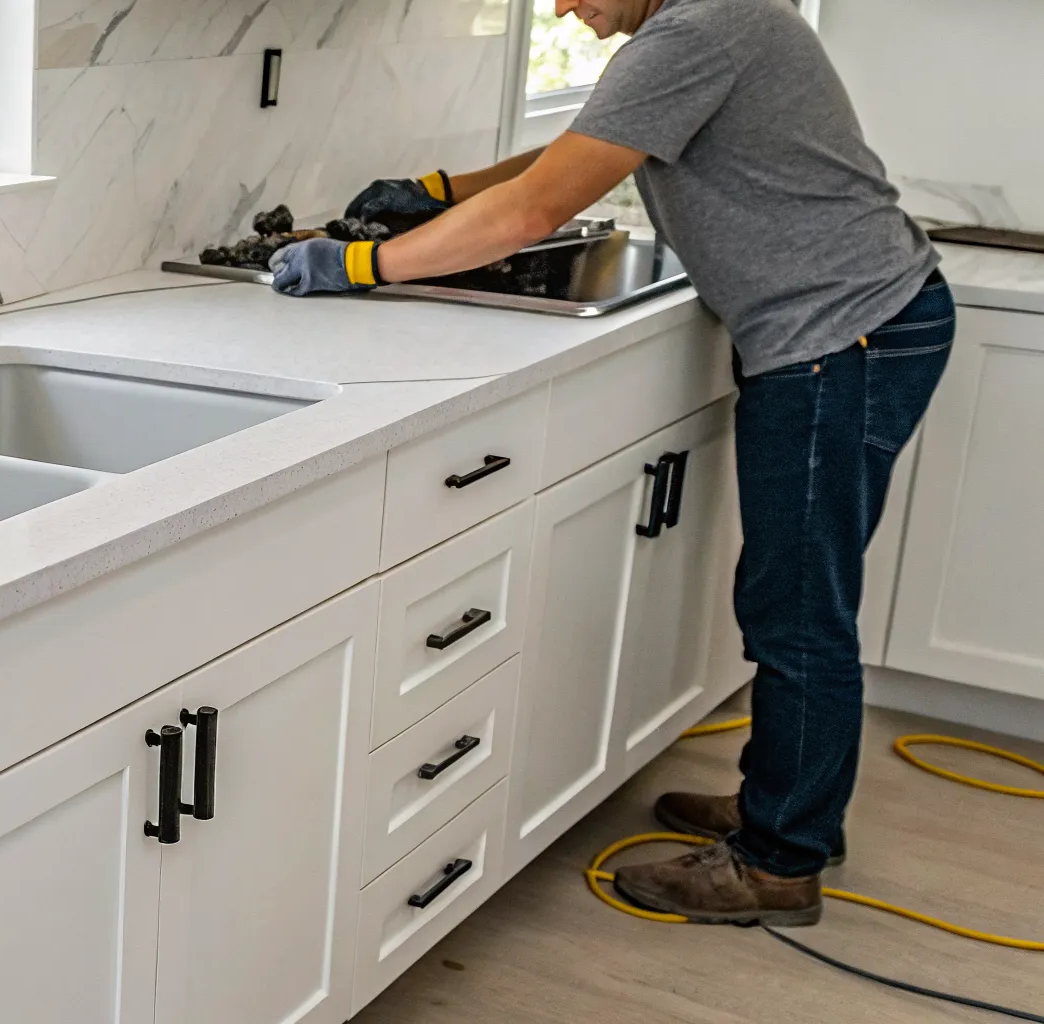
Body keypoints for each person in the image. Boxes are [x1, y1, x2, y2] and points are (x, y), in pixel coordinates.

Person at [271, 0, 953, 927]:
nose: (562, 8)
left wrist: (364, 268)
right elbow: (578, 152)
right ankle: (790, 810)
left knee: (797, 610)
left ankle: (778, 861)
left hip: (841, 337)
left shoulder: (698, 31)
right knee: (799, 599)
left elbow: (541, 206)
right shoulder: (707, 19)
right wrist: (442, 186)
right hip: (867, 319)